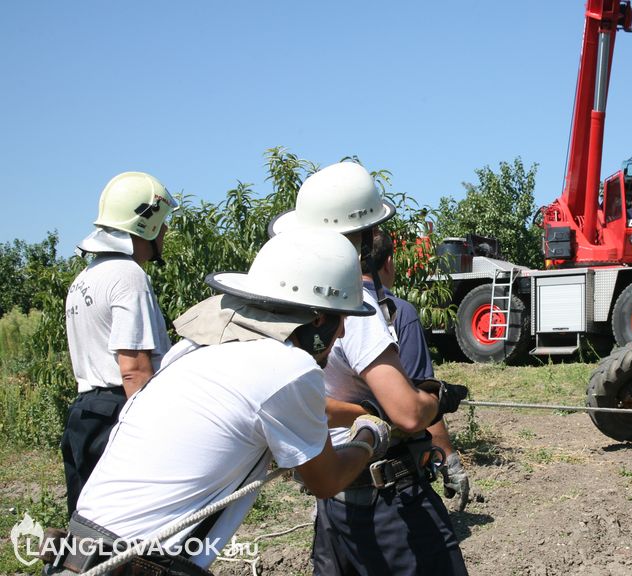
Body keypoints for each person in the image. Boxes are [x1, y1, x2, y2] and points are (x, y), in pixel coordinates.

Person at [58, 229, 392, 575]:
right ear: (319, 319)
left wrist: (359, 413)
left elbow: (283, 408)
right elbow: (325, 480)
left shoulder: (195, 349)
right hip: (136, 564)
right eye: (342, 321)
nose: (340, 335)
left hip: (77, 548)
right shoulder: (291, 368)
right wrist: (370, 435)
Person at [270, 161, 469, 576]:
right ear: (363, 241)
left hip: (334, 493)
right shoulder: (358, 310)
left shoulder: (294, 305)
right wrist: (437, 398)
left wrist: (360, 415)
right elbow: (408, 413)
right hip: (387, 502)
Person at [61, 171, 177, 516]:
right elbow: (134, 369)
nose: (167, 231)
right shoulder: (129, 276)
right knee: (123, 528)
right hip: (117, 412)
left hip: (85, 414)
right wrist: (154, 435)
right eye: (163, 222)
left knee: (86, 529)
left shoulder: (86, 276)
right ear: (148, 224)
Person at [362, 230, 471, 510]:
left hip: (335, 469)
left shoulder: (324, 316)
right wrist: (450, 461)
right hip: (392, 476)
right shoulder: (399, 313)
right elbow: (418, 392)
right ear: (388, 263)